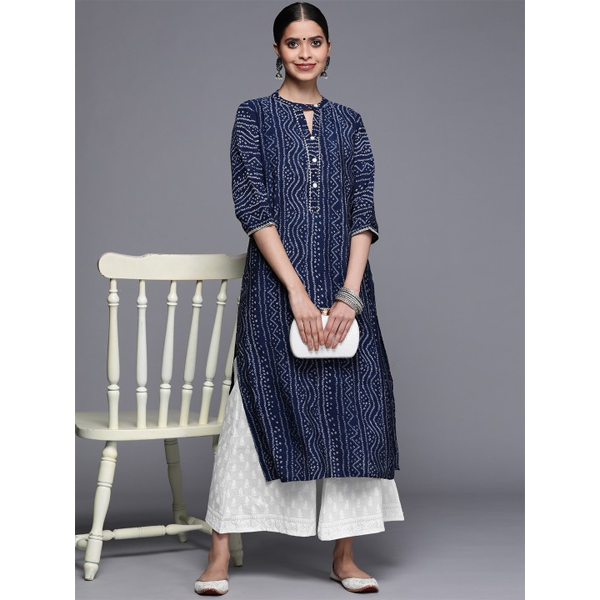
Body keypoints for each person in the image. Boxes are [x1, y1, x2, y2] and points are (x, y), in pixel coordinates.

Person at [195, 2, 404, 595]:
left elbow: (363, 212)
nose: (305, 53)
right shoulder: (253, 117)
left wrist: (348, 296)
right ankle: (218, 553)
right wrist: (296, 294)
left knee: (353, 410)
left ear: (329, 49)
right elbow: (253, 207)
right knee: (253, 408)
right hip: (275, 291)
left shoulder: (351, 123)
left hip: (347, 293)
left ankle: (345, 555)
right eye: (293, 43)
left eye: (315, 42)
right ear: (277, 50)